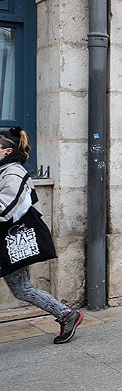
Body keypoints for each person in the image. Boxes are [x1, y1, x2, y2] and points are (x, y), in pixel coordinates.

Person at [0, 128, 83, 344]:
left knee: (22, 288)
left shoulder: (14, 173)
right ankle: (65, 314)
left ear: (7, 151)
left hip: (11, 240)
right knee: (22, 289)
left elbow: (4, 209)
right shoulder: (3, 170)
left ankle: (66, 314)